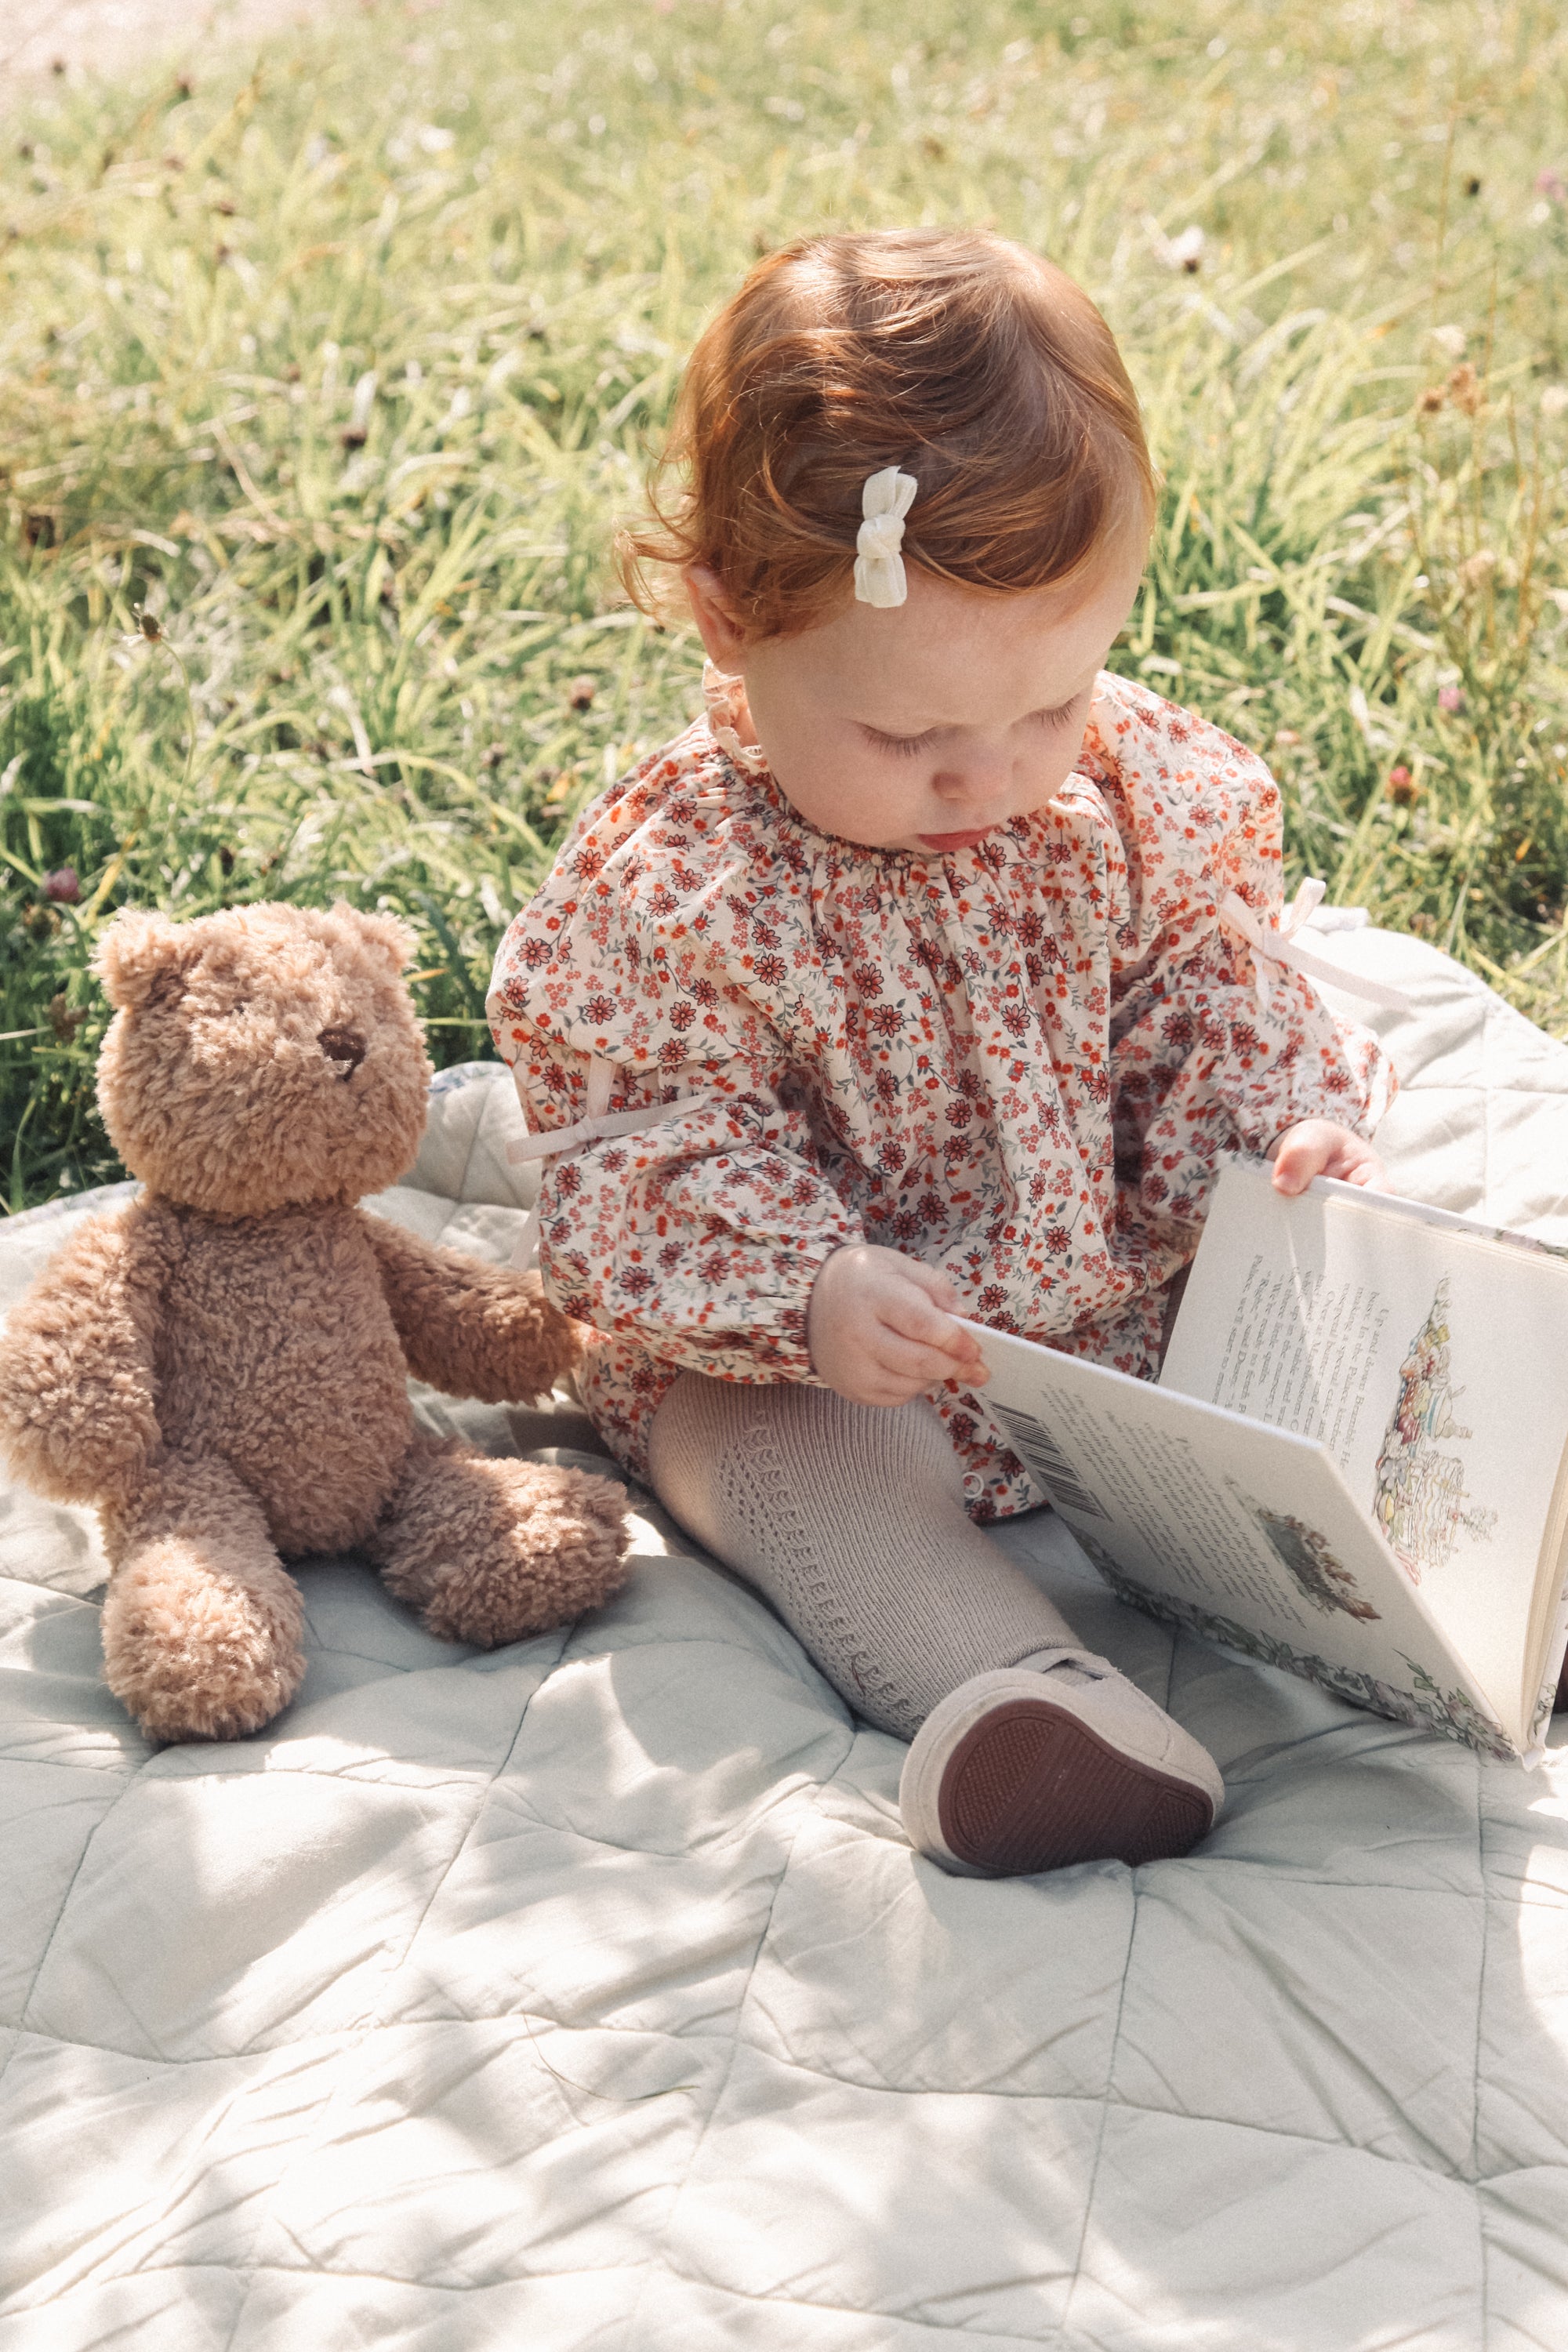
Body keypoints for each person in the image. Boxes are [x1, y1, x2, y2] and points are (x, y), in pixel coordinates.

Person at [487, 227, 1396, 1878]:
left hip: (1105, 1322)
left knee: (1313, 1343)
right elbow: (642, 1153)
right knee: (770, 1455)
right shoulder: (688, 890)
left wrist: (1282, 1127)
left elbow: (1204, 980)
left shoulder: (1115, 799)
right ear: (726, 621)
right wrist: (811, 1291)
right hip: (829, 1356)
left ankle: (1447, 1607)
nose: (986, 777)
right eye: (904, 735)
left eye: (1048, 706)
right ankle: (1020, 1696)